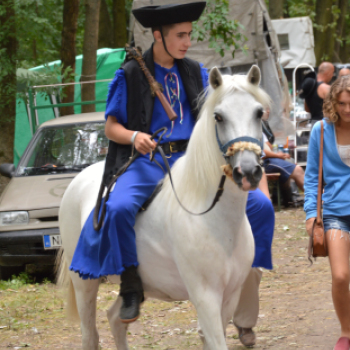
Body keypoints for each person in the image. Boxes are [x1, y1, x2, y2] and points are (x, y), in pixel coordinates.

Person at [69, 1, 208, 323]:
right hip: (150, 160)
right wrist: (134, 137)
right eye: (181, 35)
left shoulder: (195, 71)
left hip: (192, 158)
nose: (188, 42)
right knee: (117, 209)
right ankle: (131, 286)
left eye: (189, 34)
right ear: (159, 36)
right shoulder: (131, 73)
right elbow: (110, 127)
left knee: (251, 200)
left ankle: (244, 269)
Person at [304, 75, 350, 350]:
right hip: (335, 211)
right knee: (341, 276)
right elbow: (311, 177)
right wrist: (311, 213)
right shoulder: (320, 131)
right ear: (333, 102)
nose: (347, 109)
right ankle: (346, 331)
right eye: (342, 103)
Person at [233, 172, 275, 347]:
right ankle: (211, 329)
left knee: (250, 264)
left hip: (237, 184)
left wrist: (265, 196)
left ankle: (245, 322)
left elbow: (258, 164)